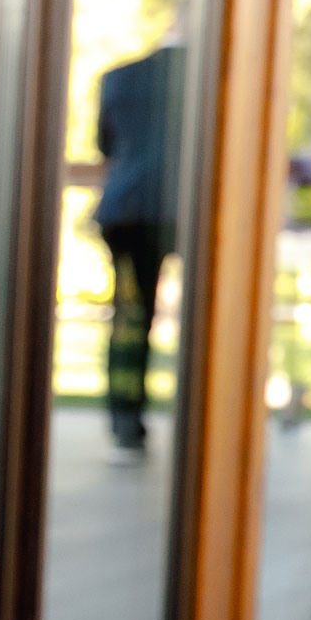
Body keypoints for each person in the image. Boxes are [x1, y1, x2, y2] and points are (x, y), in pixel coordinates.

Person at [94, 34, 188, 452]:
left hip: (126, 210)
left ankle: (125, 422)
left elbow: (105, 146)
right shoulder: (215, 75)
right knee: (211, 317)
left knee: (130, 319)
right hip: (185, 210)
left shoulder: (120, 78)